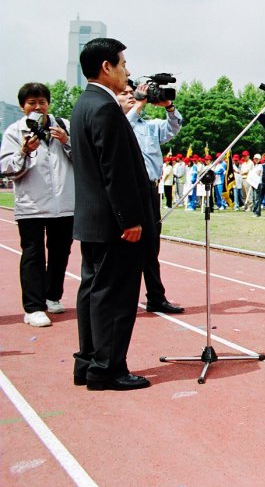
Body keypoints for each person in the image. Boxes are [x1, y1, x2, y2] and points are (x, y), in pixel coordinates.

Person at [70, 37, 153, 390]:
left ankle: (88, 361)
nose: (128, 71)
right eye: (122, 63)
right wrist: (130, 219)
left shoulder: (82, 105)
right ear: (106, 67)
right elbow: (114, 171)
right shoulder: (104, 108)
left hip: (94, 220)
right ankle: (107, 368)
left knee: (92, 291)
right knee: (116, 296)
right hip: (115, 224)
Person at [0, 82, 75, 327]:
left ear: (48, 104)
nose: (37, 107)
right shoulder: (15, 131)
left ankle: (52, 295)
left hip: (63, 203)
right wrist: (23, 150)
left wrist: (67, 141)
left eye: (42, 102)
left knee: (60, 252)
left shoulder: (63, 126)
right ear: (23, 107)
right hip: (31, 205)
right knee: (33, 254)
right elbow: (6, 168)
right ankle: (33, 307)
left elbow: (85, 159)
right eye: (32, 102)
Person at [116, 82, 185, 314]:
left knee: (151, 246)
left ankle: (156, 297)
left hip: (150, 189)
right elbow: (123, 127)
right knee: (126, 247)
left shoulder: (150, 126)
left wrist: (168, 106)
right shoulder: (117, 124)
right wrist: (138, 104)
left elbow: (174, 128)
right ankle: (122, 299)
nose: (131, 96)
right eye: (125, 93)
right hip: (128, 191)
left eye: (132, 92)